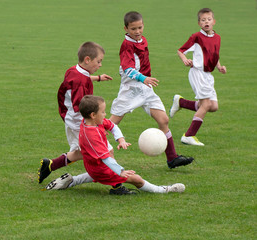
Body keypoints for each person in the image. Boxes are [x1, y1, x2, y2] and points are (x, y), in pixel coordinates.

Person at [46, 95, 185, 195]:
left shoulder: (90, 122)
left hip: (94, 166)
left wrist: (121, 139)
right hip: (100, 168)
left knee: (97, 170)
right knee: (136, 179)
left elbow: (112, 126)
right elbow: (106, 159)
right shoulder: (91, 135)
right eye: (103, 112)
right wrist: (120, 171)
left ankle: (70, 181)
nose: (105, 114)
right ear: (93, 115)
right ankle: (164, 190)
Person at [109, 11, 193, 168]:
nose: (137, 31)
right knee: (111, 123)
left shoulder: (142, 39)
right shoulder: (127, 45)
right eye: (133, 29)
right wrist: (143, 78)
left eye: (140, 27)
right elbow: (127, 68)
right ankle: (89, 145)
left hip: (146, 88)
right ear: (125, 29)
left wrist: (145, 80)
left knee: (164, 120)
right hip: (131, 89)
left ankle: (172, 158)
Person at [38, 41, 113, 184]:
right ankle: (116, 185)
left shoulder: (74, 70)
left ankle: (51, 165)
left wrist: (97, 78)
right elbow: (81, 107)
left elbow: (80, 79)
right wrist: (96, 126)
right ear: (87, 60)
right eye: (99, 61)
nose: (100, 65)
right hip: (78, 119)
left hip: (70, 117)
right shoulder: (80, 82)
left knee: (83, 152)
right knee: (106, 150)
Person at [169, 8, 227, 146]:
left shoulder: (217, 37)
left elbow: (214, 54)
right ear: (199, 23)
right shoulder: (196, 37)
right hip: (198, 73)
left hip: (208, 75)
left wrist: (219, 66)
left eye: (208, 19)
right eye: (203, 20)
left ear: (214, 21)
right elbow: (180, 50)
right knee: (206, 104)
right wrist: (185, 59)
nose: (206, 22)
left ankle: (181, 102)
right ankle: (189, 135)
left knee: (213, 106)